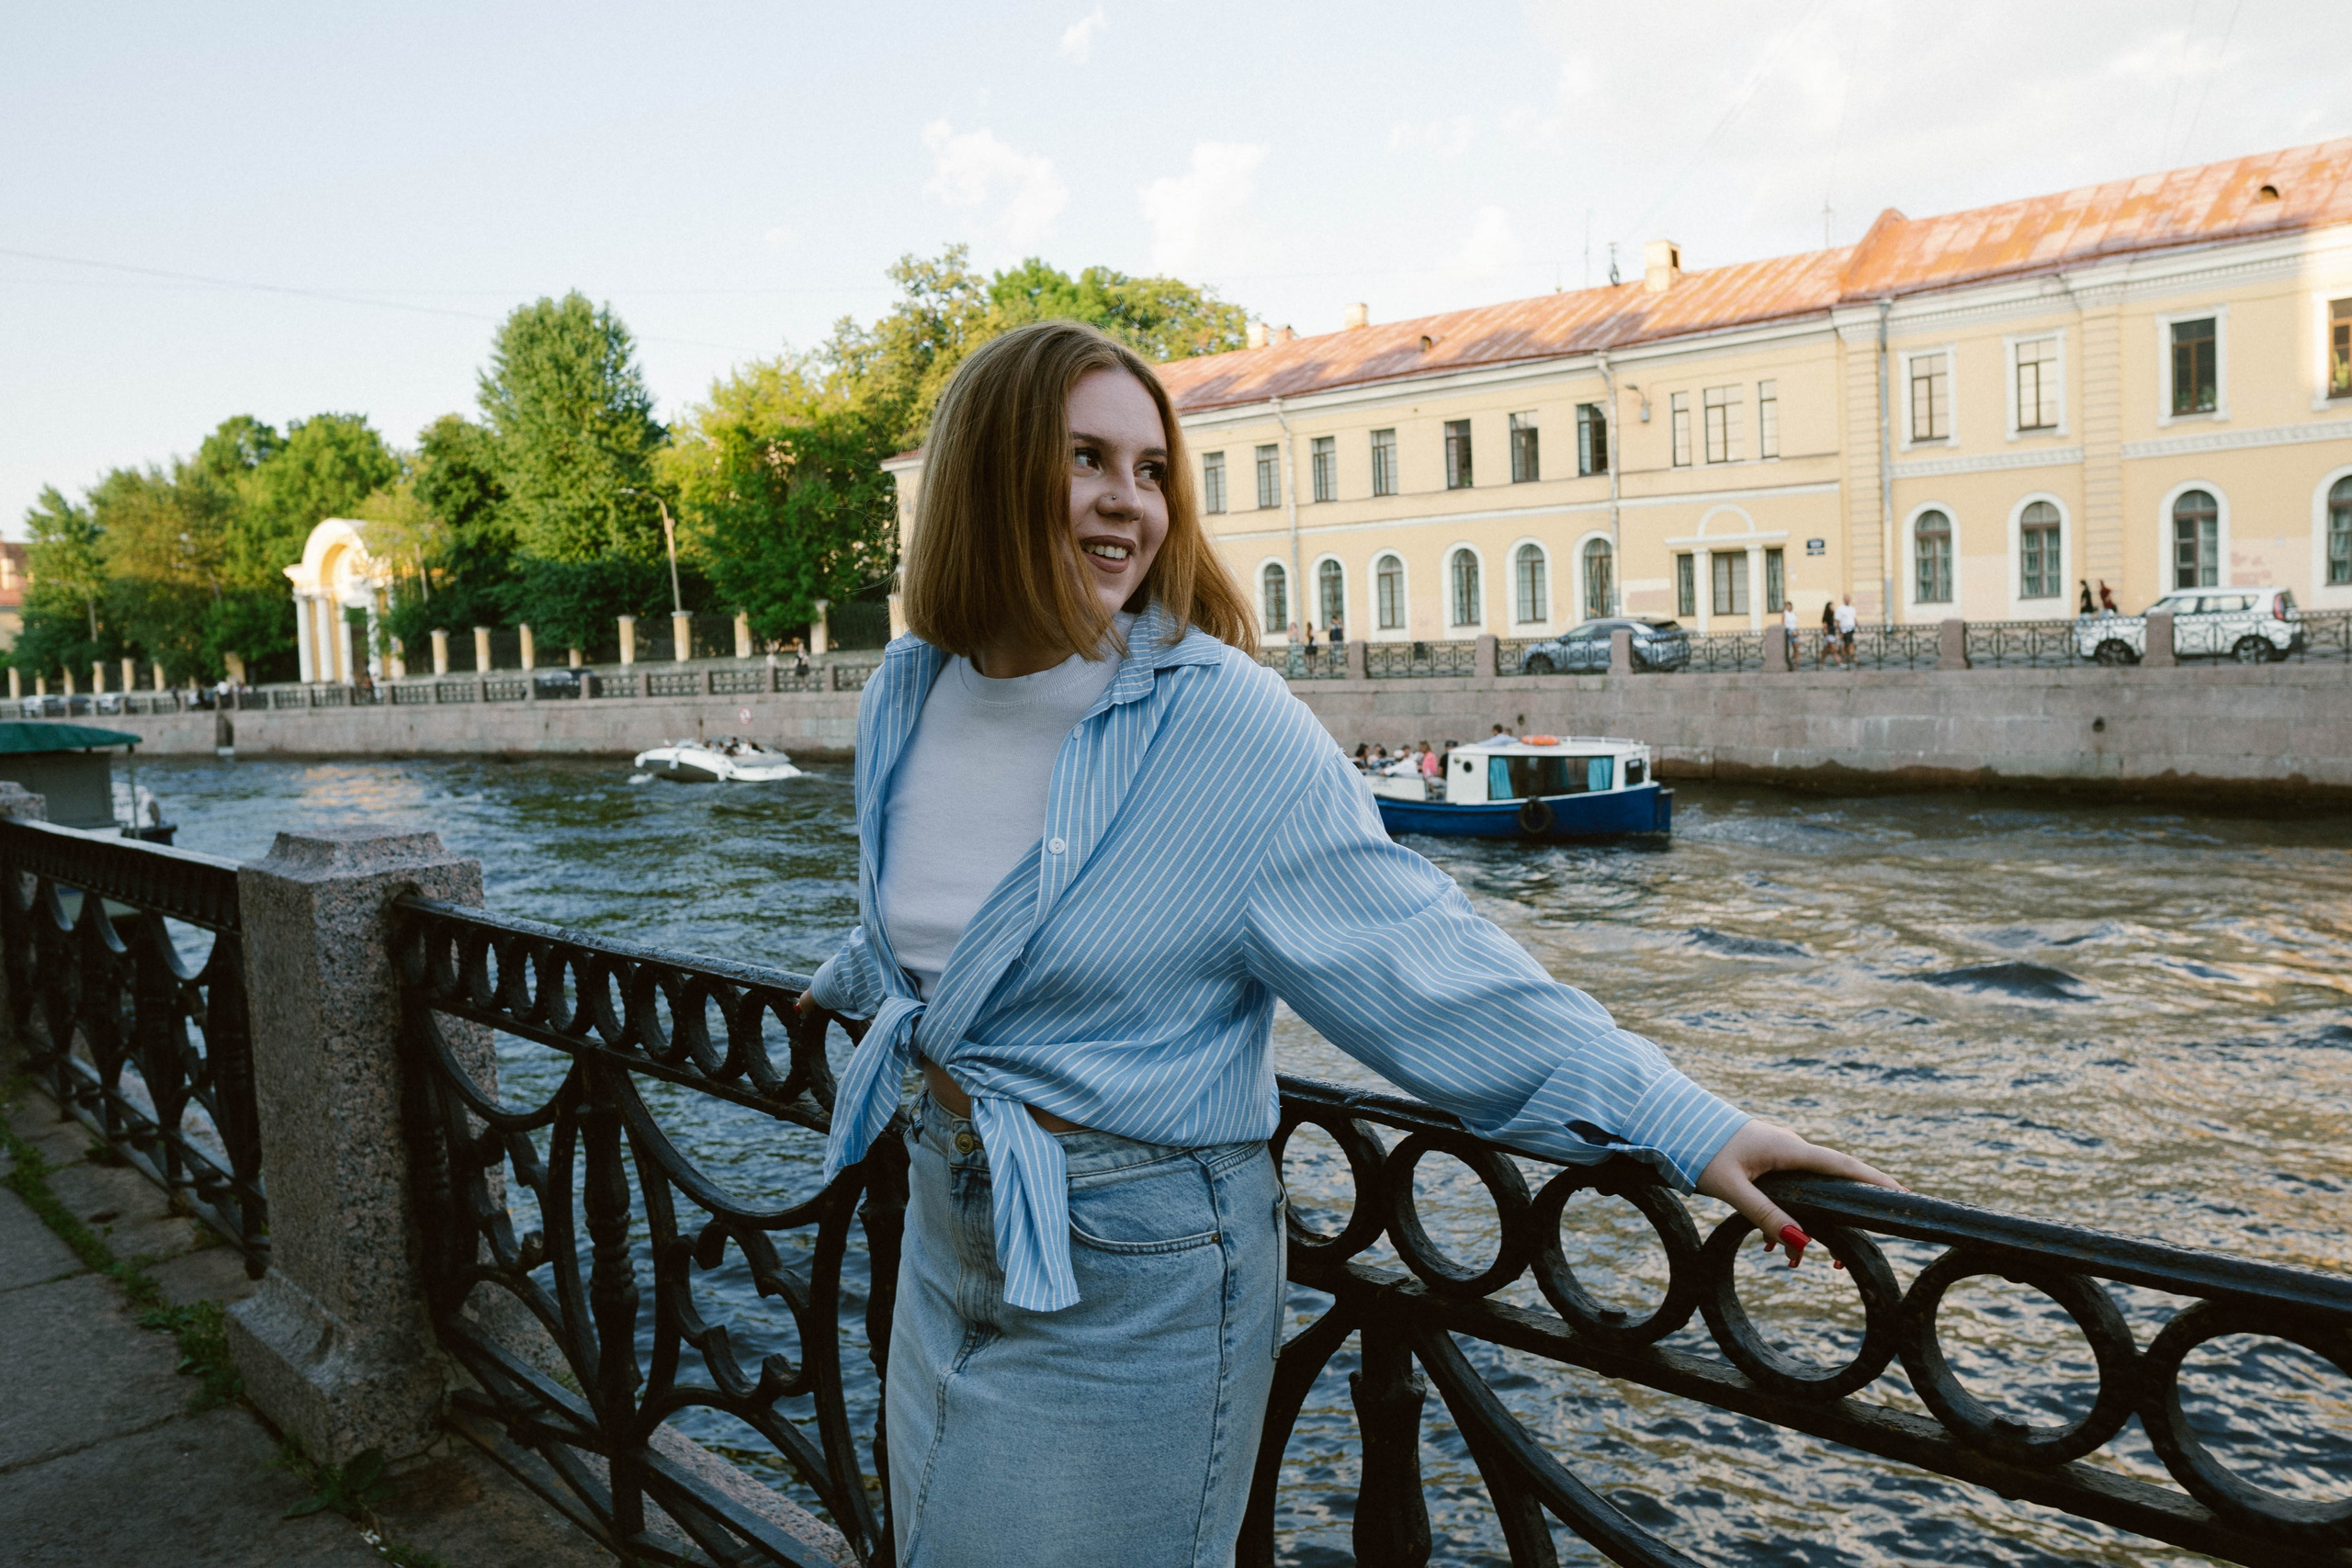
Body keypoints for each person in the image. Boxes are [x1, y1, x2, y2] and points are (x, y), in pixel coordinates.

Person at [794, 320, 1899, 1567]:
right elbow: (948, 934)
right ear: (987, 475)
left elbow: (1424, 960)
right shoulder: (911, 686)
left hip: (1134, 1262)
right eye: (1088, 459)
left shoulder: (1219, 725)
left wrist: (1684, 1120)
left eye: (1152, 469)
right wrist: (863, 984)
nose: (1129, 503)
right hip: (946, 1215)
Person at [1835, 593, 1858, 665]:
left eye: (1848, 599)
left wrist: (1857, 625)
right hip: (1845, 630)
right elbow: (1837, 621)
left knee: (1846, 646)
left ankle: (1843, 660)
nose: (1847, 600)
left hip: (1851, 629)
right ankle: (1855, 659)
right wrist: (1840, 631)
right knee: (1850, 645)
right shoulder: (1840, 609)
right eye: (1846, 599)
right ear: (1844, 599)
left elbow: (1854, 618)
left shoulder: (1852, 608)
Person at [1819, 599, 1840, 668]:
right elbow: (1825, 627)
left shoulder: (1832, 616)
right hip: (1829, 636)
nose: (1833, 608)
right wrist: (1827, 637)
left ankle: (1821, 665)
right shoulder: (1826, 617)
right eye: (1831, 606)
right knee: (1835, 649)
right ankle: (1839, 663)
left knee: (1826, 651)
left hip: (1832, 635)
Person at [1781, 600, 1798, 665]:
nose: (1788, 607)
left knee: (1796, 647)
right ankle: (1787, 662)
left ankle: (1797, 663)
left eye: (1789, 606)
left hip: (1794, 630)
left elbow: (1795, 623)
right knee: (1787, 648)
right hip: (1788, 631)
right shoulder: (1784, 613)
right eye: (1787, 606)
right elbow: (1782, 623)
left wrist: (1796, 631)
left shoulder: (1794, 613)